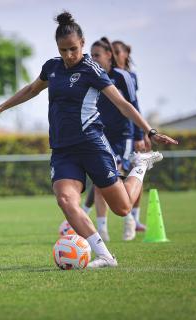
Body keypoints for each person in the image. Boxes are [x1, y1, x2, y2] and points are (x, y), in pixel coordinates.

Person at [0, 11, 178, 268]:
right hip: (63, 150)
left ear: (82, 44)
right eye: (63, 50)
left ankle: (140, 165)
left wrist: (150, 131)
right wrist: (1, 108)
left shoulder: (91, 70)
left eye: (73, 49)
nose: (68, 55)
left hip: (92, 145)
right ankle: (106, 256)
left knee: (122, 208)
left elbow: (122, 104)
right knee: (65, 200)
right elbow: (31, 89)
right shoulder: (52, 67)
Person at [80, 37, 144, 241]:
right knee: (100, 182)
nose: (93, 59)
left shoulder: (123, 77)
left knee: (118, 179)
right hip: (100, 135)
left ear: (109, 55)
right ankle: (102, 230)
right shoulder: (90, 76)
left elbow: (133, 106)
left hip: (122, 136)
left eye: (97, 55)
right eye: (91, 55)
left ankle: (129, 220)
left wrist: (141, 134)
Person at [113, 40, 150, 232]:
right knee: (109, 175)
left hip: (127, 133)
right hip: (108, 133)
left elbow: (134, 106)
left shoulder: (128, 77)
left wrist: (140, 134)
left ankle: (133, 218)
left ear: (126, 53)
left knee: (122, 173)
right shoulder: (104, 75)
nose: (114, 55)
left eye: (117, 52)